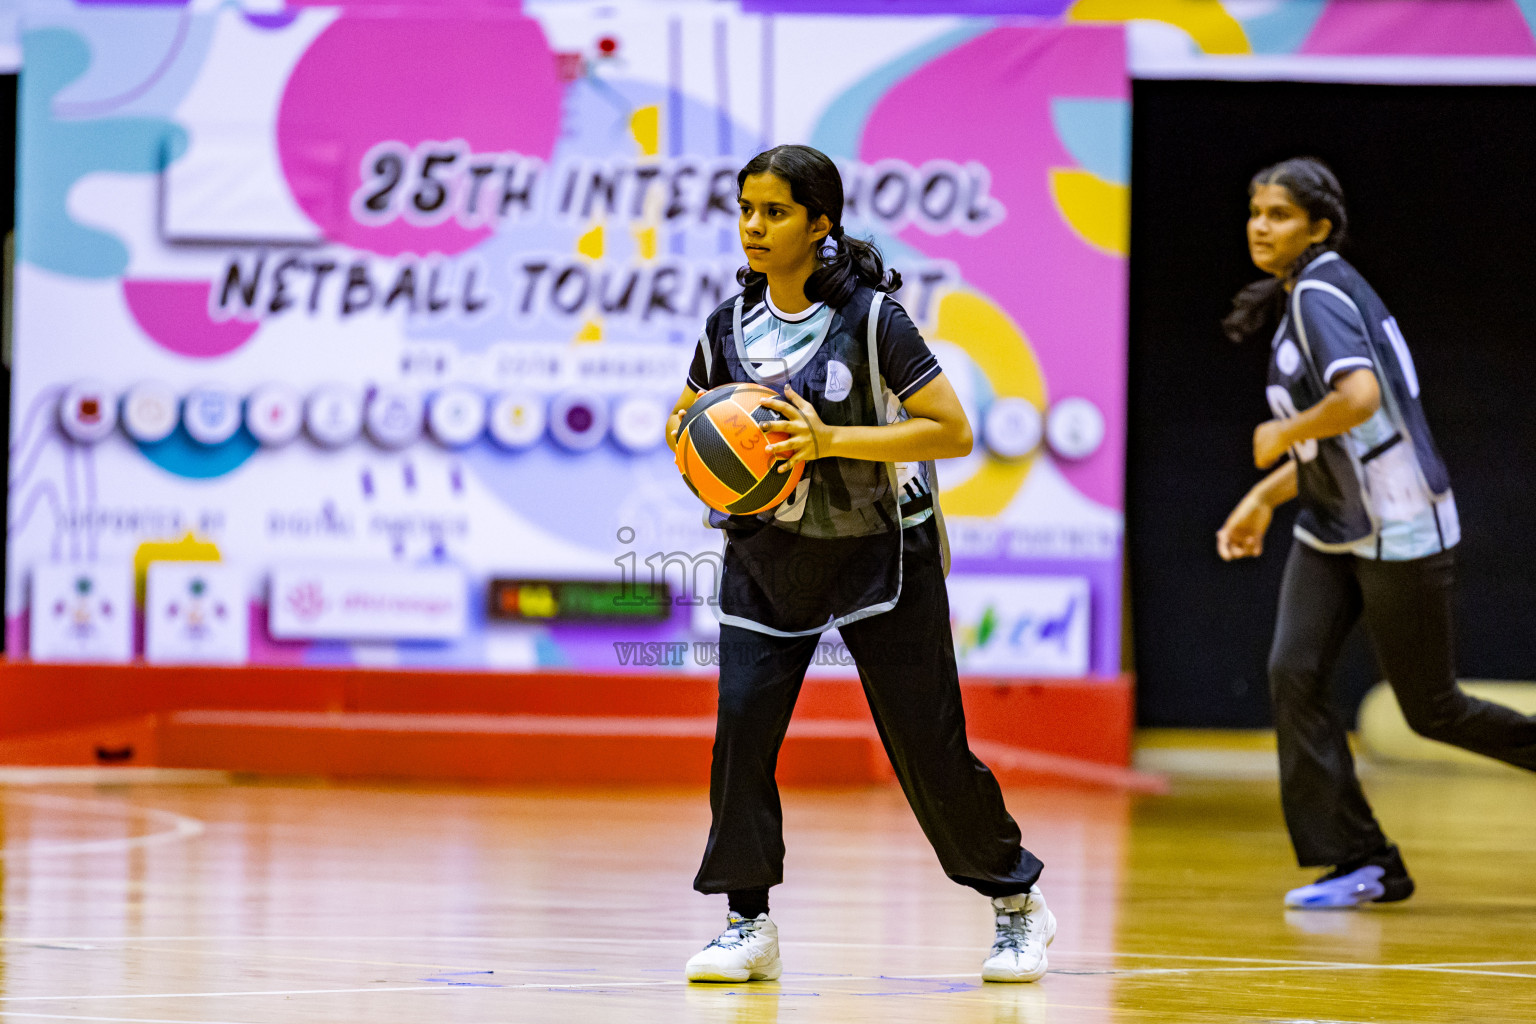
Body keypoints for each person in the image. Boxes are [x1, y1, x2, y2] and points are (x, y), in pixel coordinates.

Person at [664, 144, 1053, 982]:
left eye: (774, 212)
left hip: (882, 550)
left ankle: (1016, 904)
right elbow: (691, 407)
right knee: (741, 734)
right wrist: (689, 437)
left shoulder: (874, 320)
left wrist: (831, 438)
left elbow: (951, 429)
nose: (754, 227)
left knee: (927, 745)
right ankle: (746, 921)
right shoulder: (725, 325)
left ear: (820, 224)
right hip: (768, 553)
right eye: (745, 210)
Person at [1217, 156, 1536, 909]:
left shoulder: (1322, 295)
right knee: (1294, 673)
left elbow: (1357, 400)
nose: (1262, 227)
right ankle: (1361, 860)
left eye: (1281, 215)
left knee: (1433, 710)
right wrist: (1266, 496)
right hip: (1333, 523)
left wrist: (1280, 432)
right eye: (1256, 212)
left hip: (1398, 527)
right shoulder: (1308, 291)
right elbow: (1341, 440)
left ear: (1319, 228)